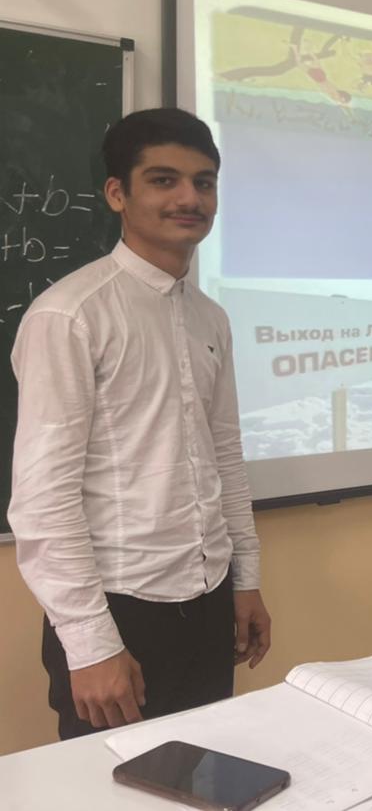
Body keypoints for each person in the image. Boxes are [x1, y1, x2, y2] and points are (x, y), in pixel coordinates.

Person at [8, 108, 271, 739]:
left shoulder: (210, 318)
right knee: (114, 784)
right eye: (163, 180)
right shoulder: (70, 316)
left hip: (207, 597)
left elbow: (224, 457)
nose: (189, 198)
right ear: (117, 194)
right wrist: (91, 644)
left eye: (203, 182)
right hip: (118, 610)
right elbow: (43, 500)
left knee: (208, 768)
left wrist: (246, 581)